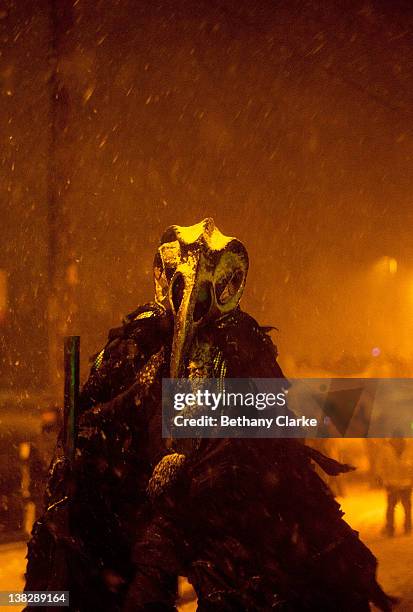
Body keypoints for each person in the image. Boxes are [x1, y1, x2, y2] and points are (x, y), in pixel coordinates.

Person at [24, 218, 394, 611]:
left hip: (224, 507)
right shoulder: (139, 344)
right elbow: (99, 417)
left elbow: (270, 431)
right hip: (148, 510)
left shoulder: (241, 347)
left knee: (244, 588)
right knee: (130, 588)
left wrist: (203, 465)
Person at [377, 436, 413, 537]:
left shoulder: (410, 447)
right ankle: (390, 528)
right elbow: (380, 466)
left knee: (407, 506)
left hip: (406, 482)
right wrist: (384, 480)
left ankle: (408, 526)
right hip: (391, 483)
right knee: (391, 506)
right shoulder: (385, 449)